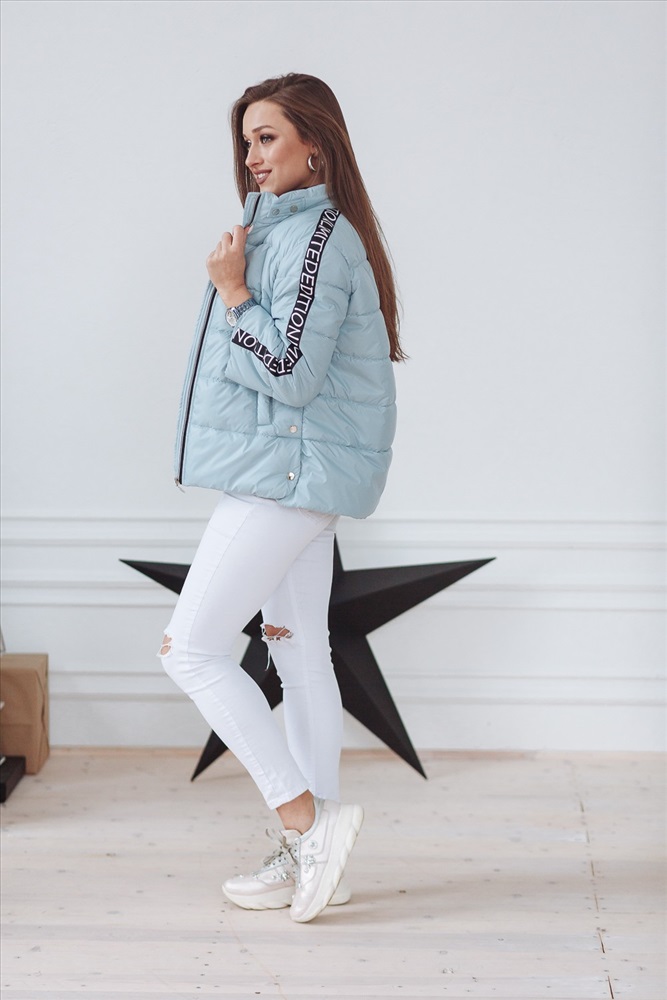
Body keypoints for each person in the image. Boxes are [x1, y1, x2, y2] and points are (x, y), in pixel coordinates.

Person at [159, 72, 403, 923]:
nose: (252, 156)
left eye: (267, 137)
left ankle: (307, 822)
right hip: (293, 475)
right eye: (246, 141)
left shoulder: (315, 240)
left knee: (190, 650)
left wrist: (233, 292)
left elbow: (291, 376)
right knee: (300, 661)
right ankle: (314, 857)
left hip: (285, 478)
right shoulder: (291, 231)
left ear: (315, 146)